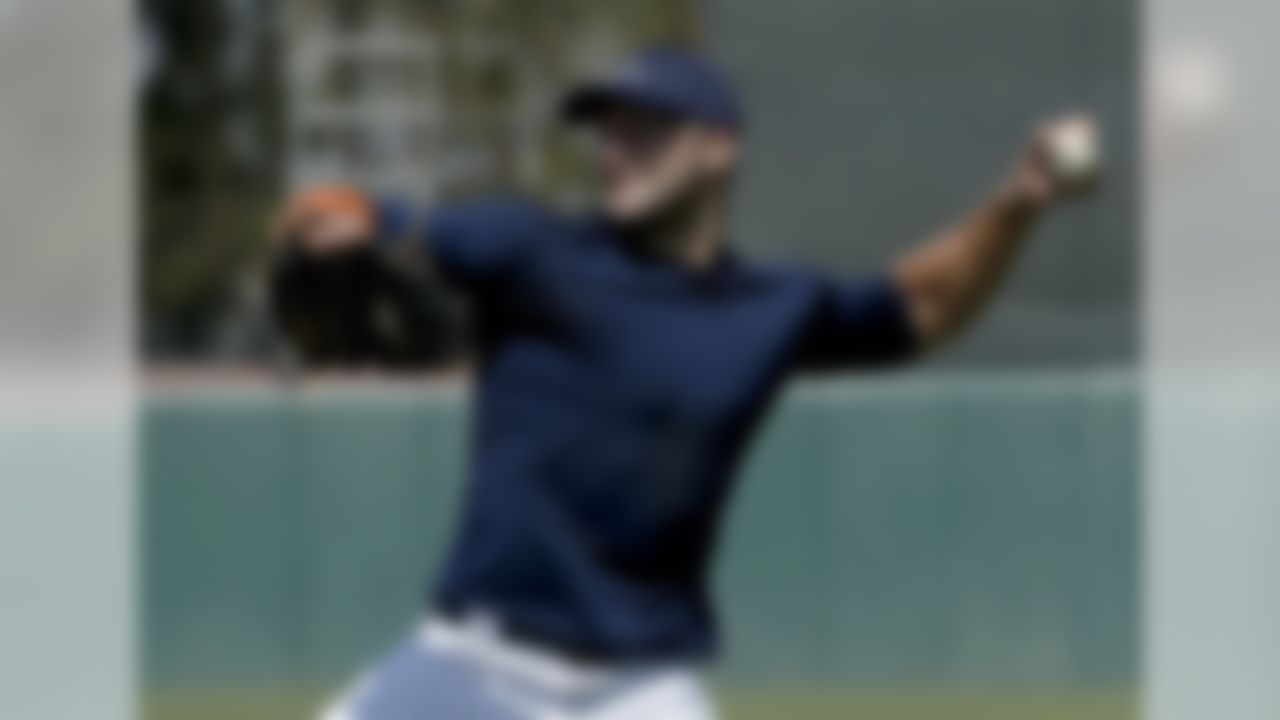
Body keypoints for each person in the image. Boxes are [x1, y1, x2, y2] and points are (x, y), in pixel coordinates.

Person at [271, 47, 1098, 720]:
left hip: (638, 688)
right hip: (465, 668)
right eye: (607, 130)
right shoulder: (531, 251)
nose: (615, 147)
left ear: (719, 147)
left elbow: (924, 301)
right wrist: (322, 227)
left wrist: (1017, 203)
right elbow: (344, 211)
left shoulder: (770, 309)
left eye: (646, 128)